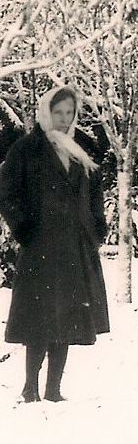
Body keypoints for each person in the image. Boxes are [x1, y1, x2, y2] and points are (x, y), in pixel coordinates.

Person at [0, 86, 109, 403]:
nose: (63, 119)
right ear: (46, 112)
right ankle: (30, 386)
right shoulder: (26, 149)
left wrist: (96, 230)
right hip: (41, 246)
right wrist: (24, 228)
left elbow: (95, 195)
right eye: (57, 112)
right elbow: (6, 194)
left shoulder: (81, 150)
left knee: (68, 319)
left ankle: (53, 389)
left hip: (75, 247)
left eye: (69, 113)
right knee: (39, 319)